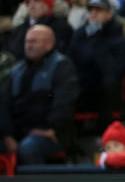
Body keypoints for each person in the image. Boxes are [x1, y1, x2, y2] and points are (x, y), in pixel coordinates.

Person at [0, 25, 79, 165]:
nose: (28, 46)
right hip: (19, 132)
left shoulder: (61, 66)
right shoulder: (17, 70)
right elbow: (4, 103)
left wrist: (51, 128)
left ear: (49, 44)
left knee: (28, 148)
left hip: (51, 133)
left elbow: (64, 102)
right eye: (27, 41)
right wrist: (7, 135)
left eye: (34, 41)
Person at [67, 0, 125, 130]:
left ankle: (104, 131)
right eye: (91, 10)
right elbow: (71, 61)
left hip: (104, 89)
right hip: (82, 86)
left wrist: (96, 40)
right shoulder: (80, 34)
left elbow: (113, 70)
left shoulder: (117, 36)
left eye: (98, 10)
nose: (93, 14)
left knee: (108, 83)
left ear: (109, 14)